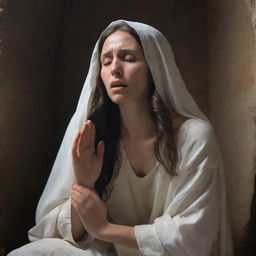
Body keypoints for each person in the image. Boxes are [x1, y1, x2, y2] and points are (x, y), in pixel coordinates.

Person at [8, 20, 233, 256]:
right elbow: (53, 230)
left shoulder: (194, 136)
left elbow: (192, 236)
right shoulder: (97, 135)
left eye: (128, 58)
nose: (115, 68)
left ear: (154, 67)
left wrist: (105, 229)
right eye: (107, 61)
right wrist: (85, 185)